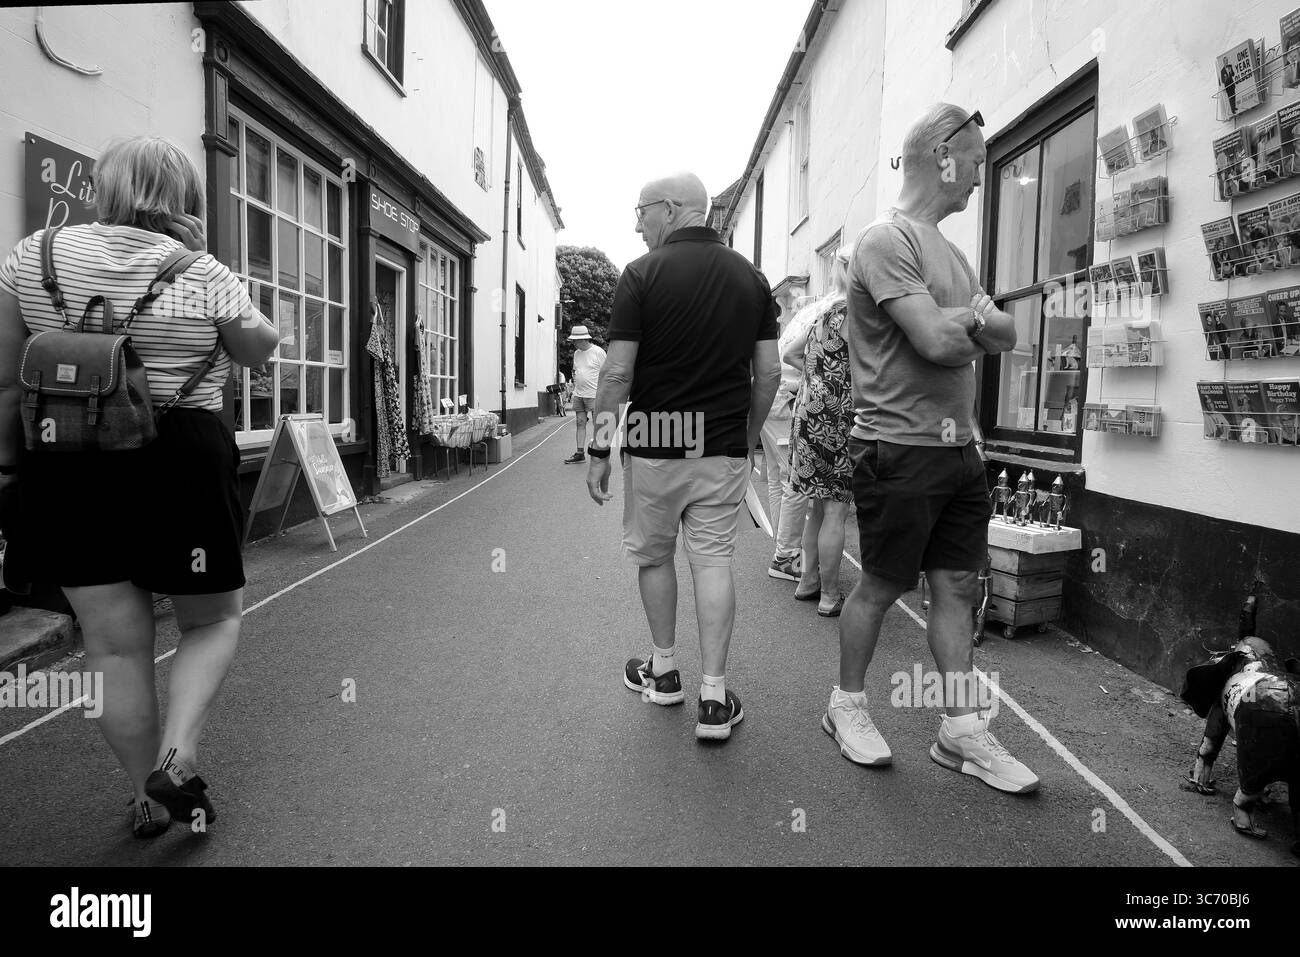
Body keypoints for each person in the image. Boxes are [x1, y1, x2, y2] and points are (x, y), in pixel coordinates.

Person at [0, 136, 280, 837]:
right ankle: (176, 759)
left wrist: (10, 472)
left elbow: (6, 376)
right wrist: (211, 280)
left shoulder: (33, 255)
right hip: (180, 455)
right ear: (185, 197)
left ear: (106, 186)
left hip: (65, 458)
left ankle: (145, 797)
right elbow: (258, 346)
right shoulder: (201, 269)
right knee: (210, 619)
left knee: (111, 645)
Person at [826, 104, 1039, 794]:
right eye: (975, 160)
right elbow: (941, 341)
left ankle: (961, 729)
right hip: (896, 447)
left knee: (958, 587)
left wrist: (963, 322)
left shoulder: (952, 253)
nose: (980, 175)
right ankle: (845, 706)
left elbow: (1008, 333)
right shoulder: (884, 241)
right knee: (883, 585)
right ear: (943, 157)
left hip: (960, 453)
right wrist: (967, 322)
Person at [587, 171, 780, 742]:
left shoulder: (641, 275)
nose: (638, 225)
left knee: (655, 557)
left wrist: (599, 446)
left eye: (641, 211)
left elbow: (617, 374)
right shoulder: (752, 278)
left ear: (670, 209)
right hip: (721, 444)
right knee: (713, 562)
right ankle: (714, 699)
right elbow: (769, 372)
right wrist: (747, 437)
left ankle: (665, 671)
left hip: (655, 438)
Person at [785, 247, 855, 618]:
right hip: (837, 421)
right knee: (836, 511)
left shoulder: (825, 311)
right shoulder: (858, 314)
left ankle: (808, 581)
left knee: (816, 507)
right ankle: (829, 595)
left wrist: (817, 379)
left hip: (808, 415)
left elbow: (790, 354)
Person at [759, 298, 817, 583]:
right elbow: (792, 356)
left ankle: (783, 550)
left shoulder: (810, 310)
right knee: (793, 481)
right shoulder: (837, 308)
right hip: (785, 397)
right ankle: (785, 556)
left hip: (769, 395)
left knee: (778, 478)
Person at [563, 325, 606, 464]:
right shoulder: (577, 353)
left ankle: (599, 452)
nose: (573, 343)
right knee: (580, 422)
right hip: (579, 394)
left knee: (597, 424)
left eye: (575, 340)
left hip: (594, 394)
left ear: (583, 339)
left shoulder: (598, 352)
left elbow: (607, 372)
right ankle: (580, 453)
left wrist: (603, 392)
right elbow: (576, 371)